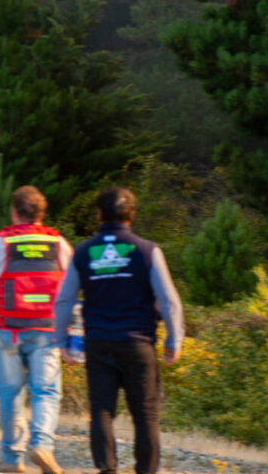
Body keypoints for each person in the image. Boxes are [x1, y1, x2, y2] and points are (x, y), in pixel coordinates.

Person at [53, 187, 184, 474]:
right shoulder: (148, 251)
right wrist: (174, 340)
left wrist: (61, 339)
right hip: (138, 344)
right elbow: (168, 300)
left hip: (98, 343)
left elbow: (64, 298)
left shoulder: (84, 252)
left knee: (101, 411)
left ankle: (107, 470)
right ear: (132, 215)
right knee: (146, 416)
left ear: (99, 215)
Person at [0, 185, 73, 474]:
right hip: (47, 329)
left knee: (11, 394)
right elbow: (72, 285)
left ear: (14, 212)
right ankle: (43, 446)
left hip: (6, 331)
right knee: (46, 390)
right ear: (42, 214)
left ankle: (12, 459)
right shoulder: (58, 243)